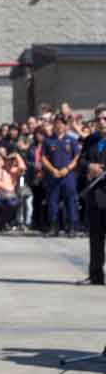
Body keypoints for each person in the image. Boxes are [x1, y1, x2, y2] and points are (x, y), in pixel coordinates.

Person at [77, 104, 106, 285]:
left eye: (105, 118)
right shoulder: (90, 140)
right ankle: (95, 274)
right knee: (95, 236)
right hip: (95, 194)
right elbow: (81, 161)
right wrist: (90, 166)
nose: (102, 122)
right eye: (99, 119)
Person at [42, 113, 80, 237]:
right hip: (53, 175)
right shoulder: (48, 140)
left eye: (62, 123)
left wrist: (68, 168)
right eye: (56, 123)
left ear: (65, 125)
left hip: (68, 175)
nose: (59, 125)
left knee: (70, 201)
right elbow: (43, 158)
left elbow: (77, 157)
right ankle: (53, 227)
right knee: (53, 201)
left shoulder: (72, 140)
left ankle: (72, 228)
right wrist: (52, 169)